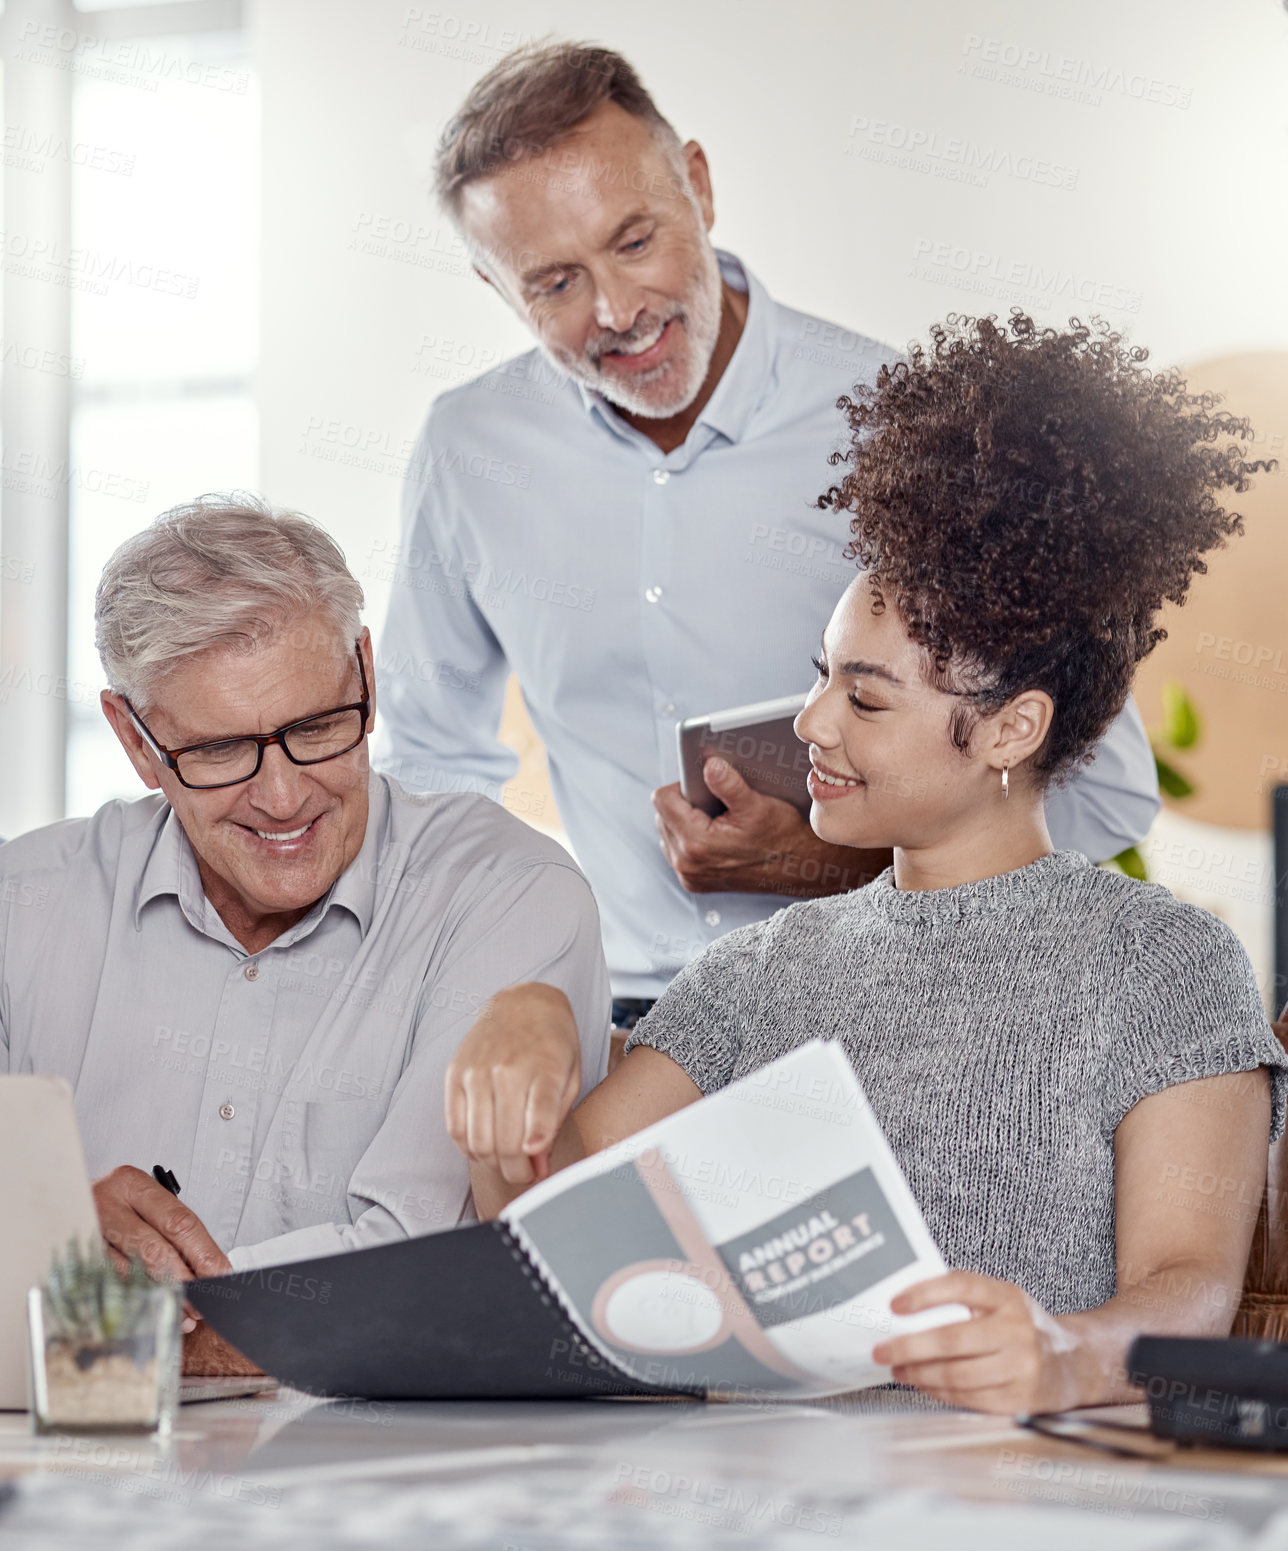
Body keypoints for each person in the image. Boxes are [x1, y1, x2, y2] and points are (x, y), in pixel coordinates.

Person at [443, 314, 1287, 1415]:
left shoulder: (1159, 962)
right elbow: (542, 1234)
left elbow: (1189, 1292)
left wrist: (1058, 1356)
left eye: (865, 697)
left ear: (1007, 731)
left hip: (1022, 1498)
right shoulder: (760, 973)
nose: (810, 724)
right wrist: (525, 1025)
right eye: (820, 676)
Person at [376, 42, 1161, 1021]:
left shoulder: (906, 424)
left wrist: (829, 860)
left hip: (890, 1007)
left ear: (699, 187)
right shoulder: (469, 448)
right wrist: (498, 996)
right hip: (621, 1022)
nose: (617, 312)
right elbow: (431, 763)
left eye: (633, 241)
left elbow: (1099, 792)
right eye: (554, 284)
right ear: (498, 288)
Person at [0, 495, 610, 1371]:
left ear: (365, 669)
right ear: (135, 740)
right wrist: (41, 1229)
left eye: (317, 728)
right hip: (75, 1477)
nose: (285, 799)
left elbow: (419, 1273)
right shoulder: (26, 904)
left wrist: (80, 1312)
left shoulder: (511, 897)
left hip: (384, 1489)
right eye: (219, 751)